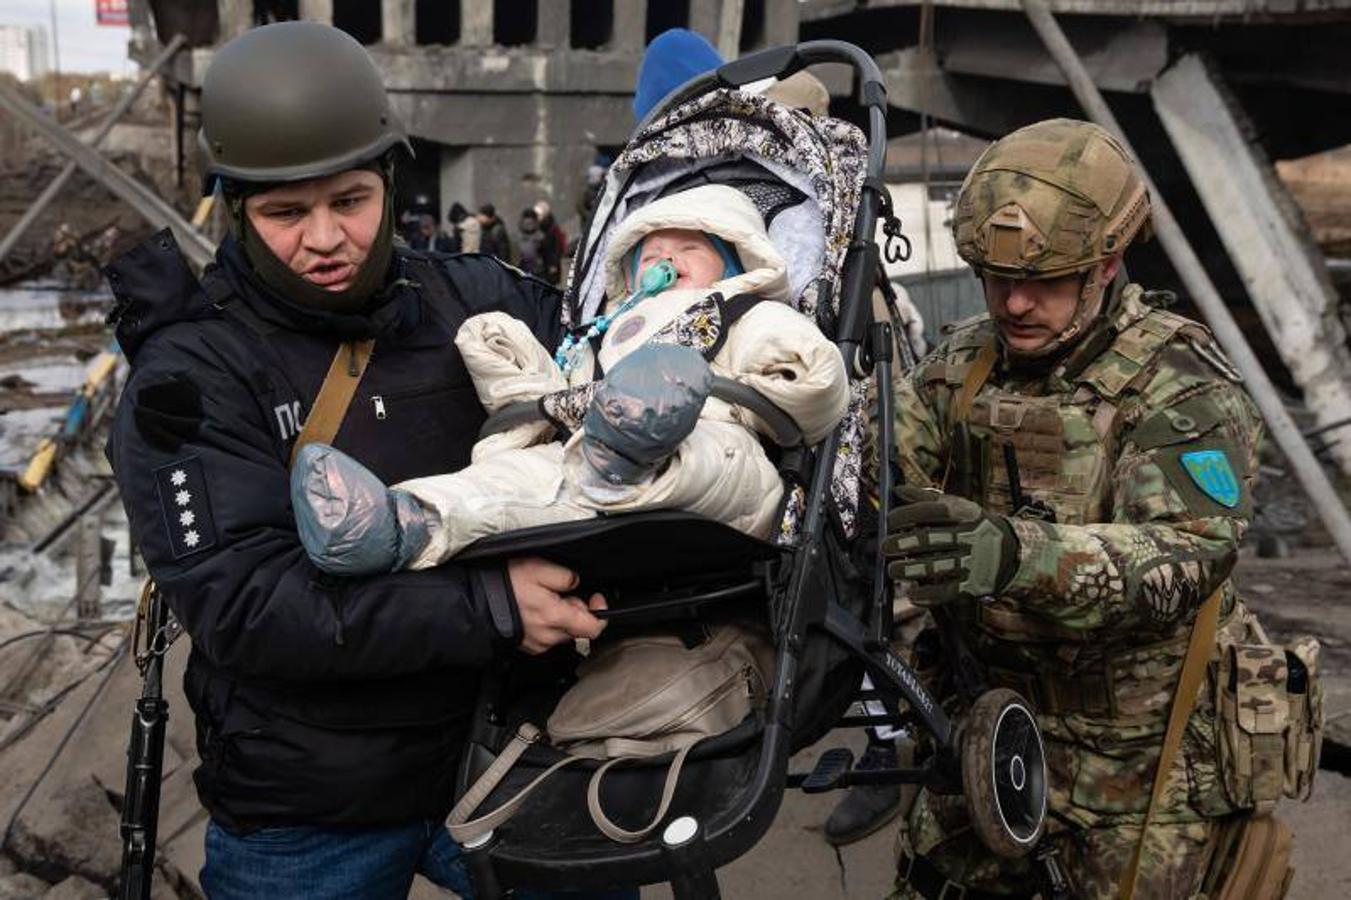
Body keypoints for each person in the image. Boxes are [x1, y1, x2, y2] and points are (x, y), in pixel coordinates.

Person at [102, 22, 628, 900]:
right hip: (308, 805)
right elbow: (247, 604)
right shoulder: (189, 376)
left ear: (389, 181)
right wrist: (490, 606)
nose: (324, 238)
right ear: (235, 209)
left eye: (349, 200)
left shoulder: (477, 301)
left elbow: (611, 387)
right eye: (284, 213)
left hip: (511, 751)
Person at [879, 118, 1279, 899]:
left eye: (1046, 282)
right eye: (994, 280)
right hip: (984, 739)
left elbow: (1190, 554)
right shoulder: (962, 362)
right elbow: (883, 465)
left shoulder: (1179, 383)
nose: (1015, 303)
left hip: (1135, 776)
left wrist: (1015, 555)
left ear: (1106, 266)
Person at [291, 184, 849, 575]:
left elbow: (813, 381)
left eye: (688, 250)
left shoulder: (743, 313)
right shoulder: (608, 330)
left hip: (712, 454)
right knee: (512, 479)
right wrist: (517, 374)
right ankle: (398, 522)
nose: (666, 259)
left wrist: (790, 374)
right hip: (585, 454)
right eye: (651, 252)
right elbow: (564, 391)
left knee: (711, 452)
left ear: (732, 265)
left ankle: (630, 451)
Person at [516, 206, 550, 281]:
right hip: (538, 269)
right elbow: (547, 254)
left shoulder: (518, 236)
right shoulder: (541, 235)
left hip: (522, 268)